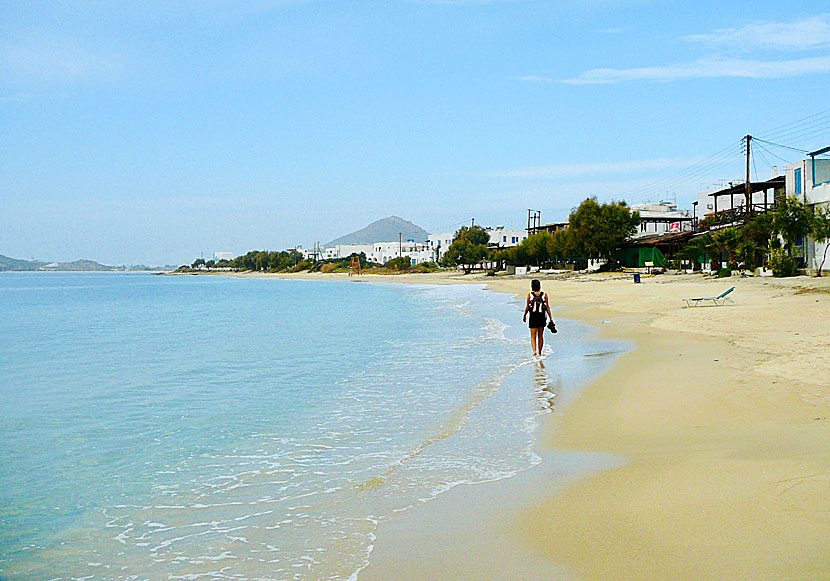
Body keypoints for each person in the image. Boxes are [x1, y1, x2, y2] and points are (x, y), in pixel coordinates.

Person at [522, 279, 553, 358]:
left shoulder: (530, 295)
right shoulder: (544, 295)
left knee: (533, 336)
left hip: (533, 316)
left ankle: (534, 351)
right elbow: (547, 307)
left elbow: (527, 306)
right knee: (540, 335)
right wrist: (551, 318)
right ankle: (540, 352)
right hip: (542, 316)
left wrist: (525, 315)